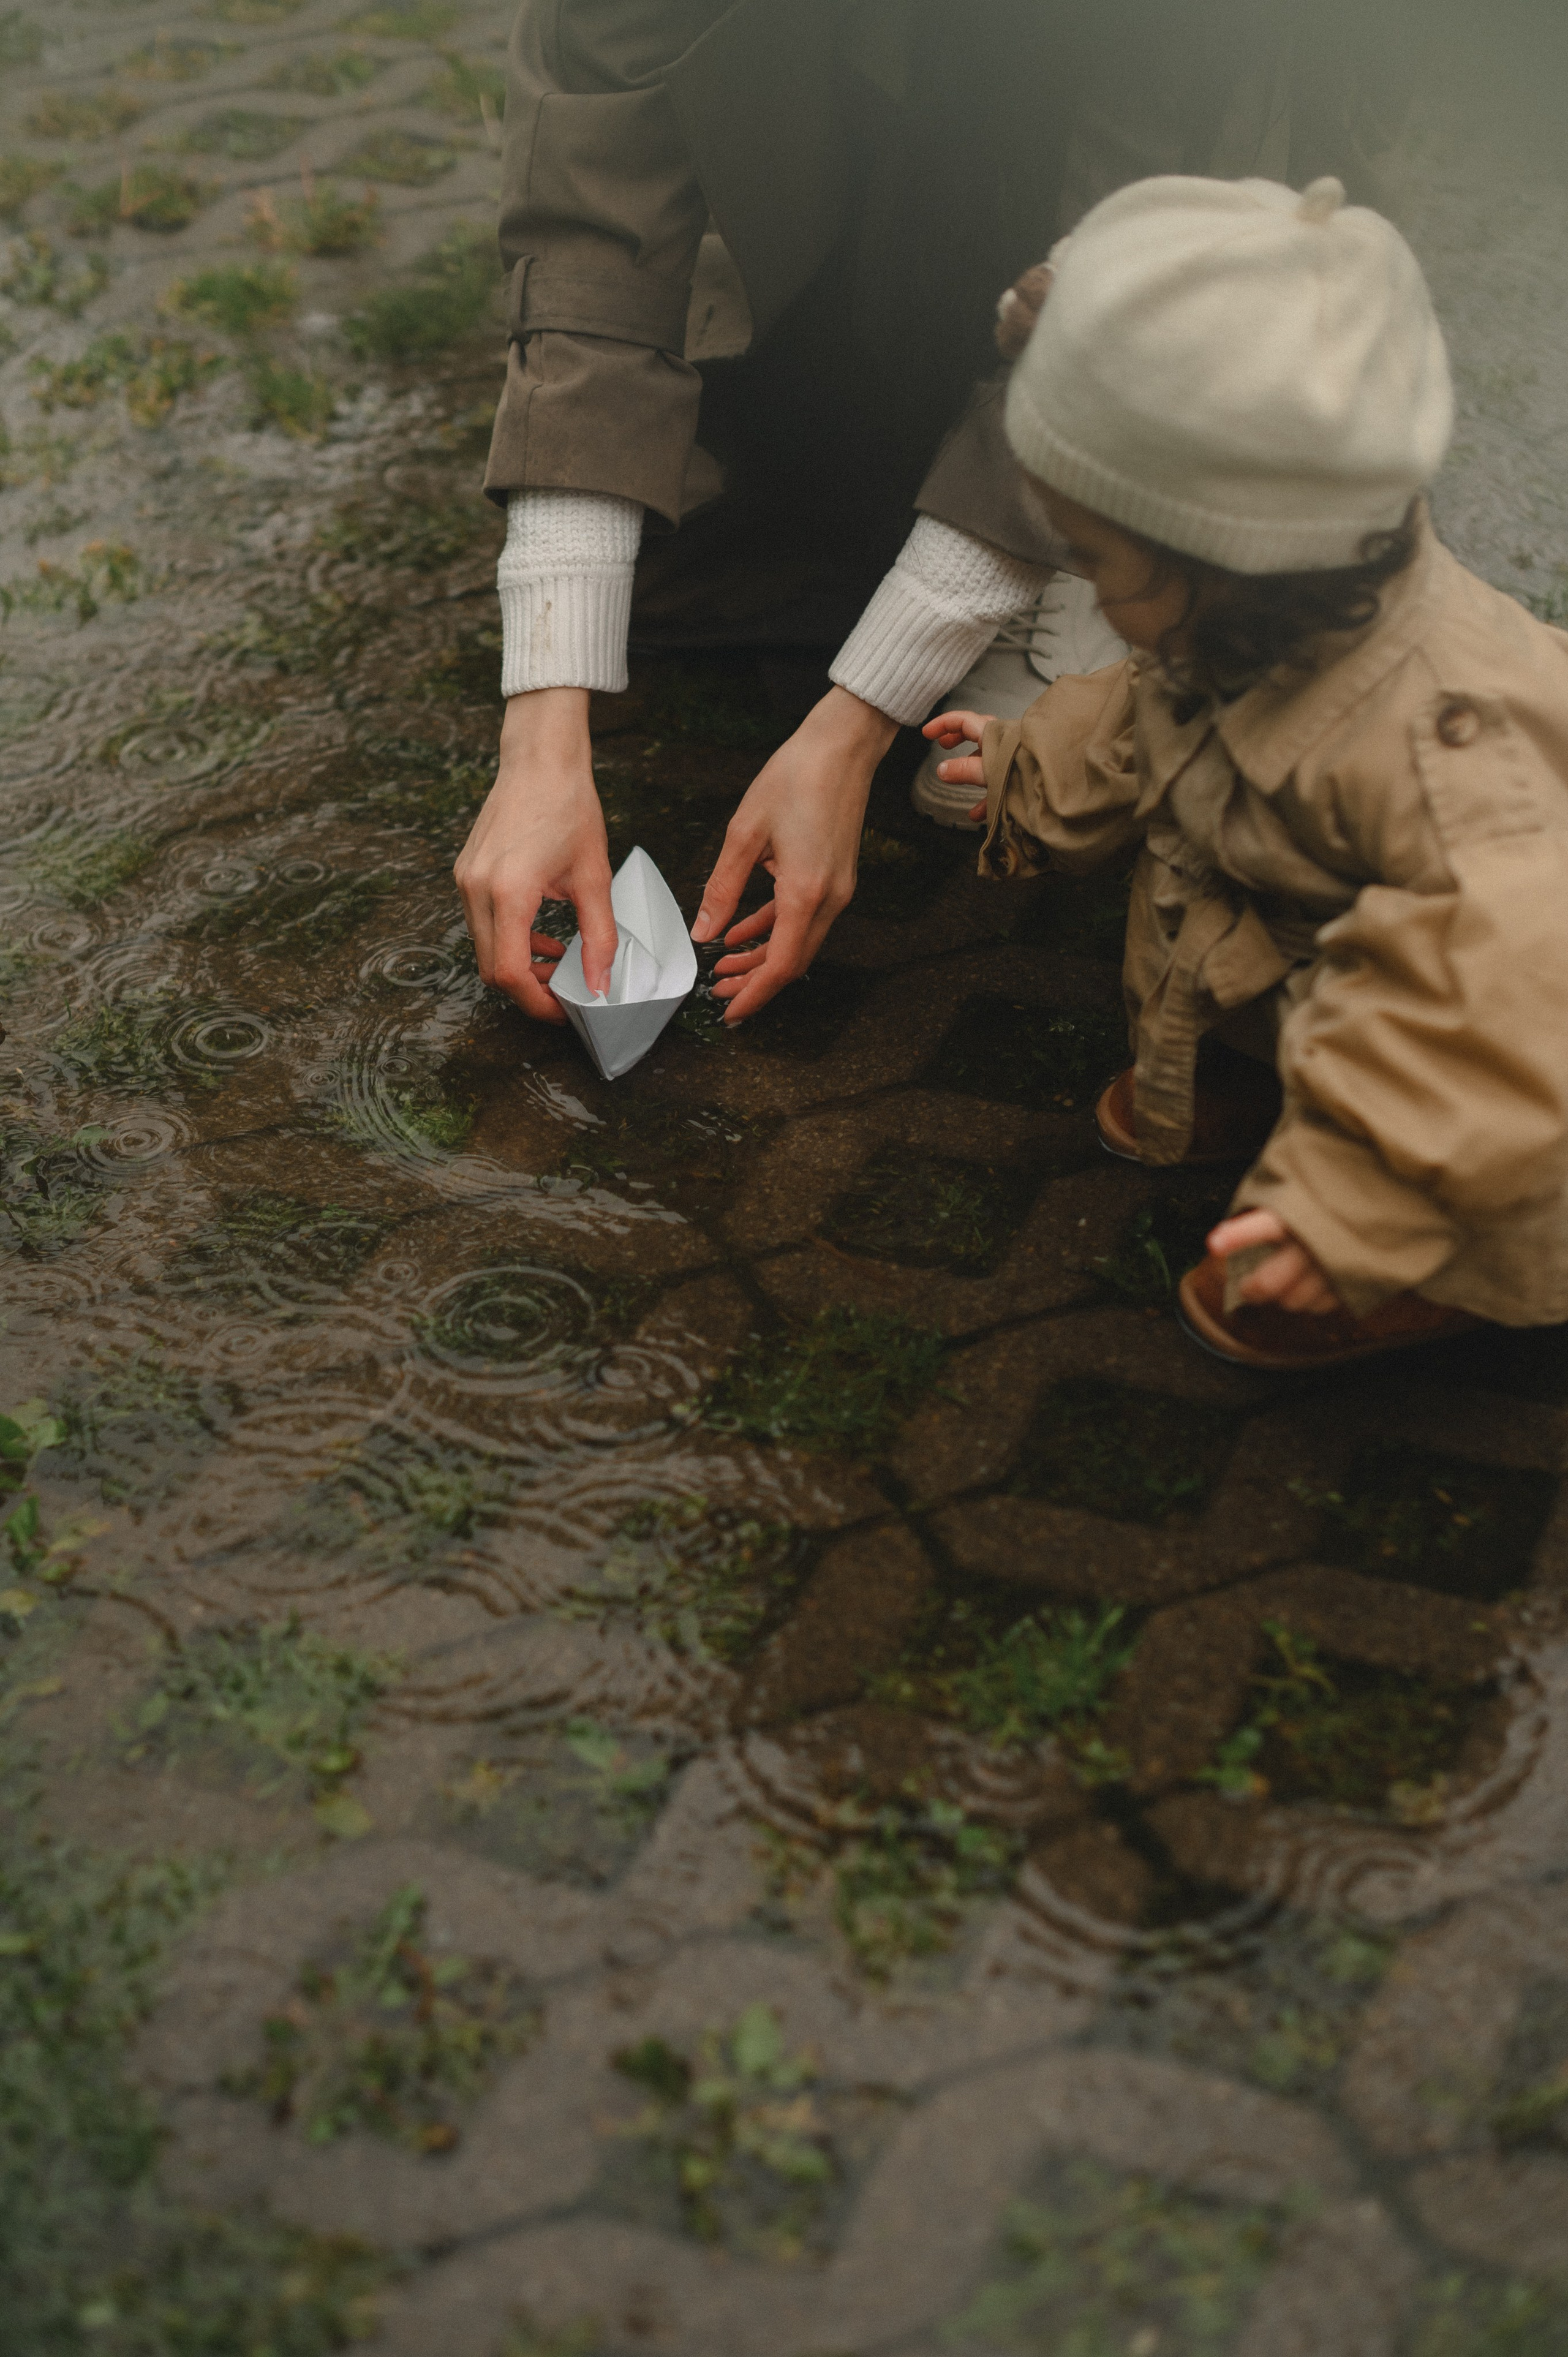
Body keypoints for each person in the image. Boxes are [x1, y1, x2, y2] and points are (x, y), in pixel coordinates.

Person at [456, 1, 1417, 1029]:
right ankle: (921, 464)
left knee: (1120, 359)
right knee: (656, 578)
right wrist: (545, 730)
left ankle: (1086, 540)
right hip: (882, 119)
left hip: (1165, 213)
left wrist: (856, 722)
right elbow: (592, 236)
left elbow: (1106, 303)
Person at [924, 171, 1568, 1371]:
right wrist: (1026, 764)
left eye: (1096, 562)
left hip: (1519, 1035)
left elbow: (1489, 1014)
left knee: (1499, 1108)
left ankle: (1429, 1258)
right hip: (1309, 936)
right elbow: (1139, 721)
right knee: (1234, 895)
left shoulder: (1443, 747)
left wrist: (1354, 1216)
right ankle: (1258, 1080)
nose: (1093, 599)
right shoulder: (1240, 626)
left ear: (1226, 561)